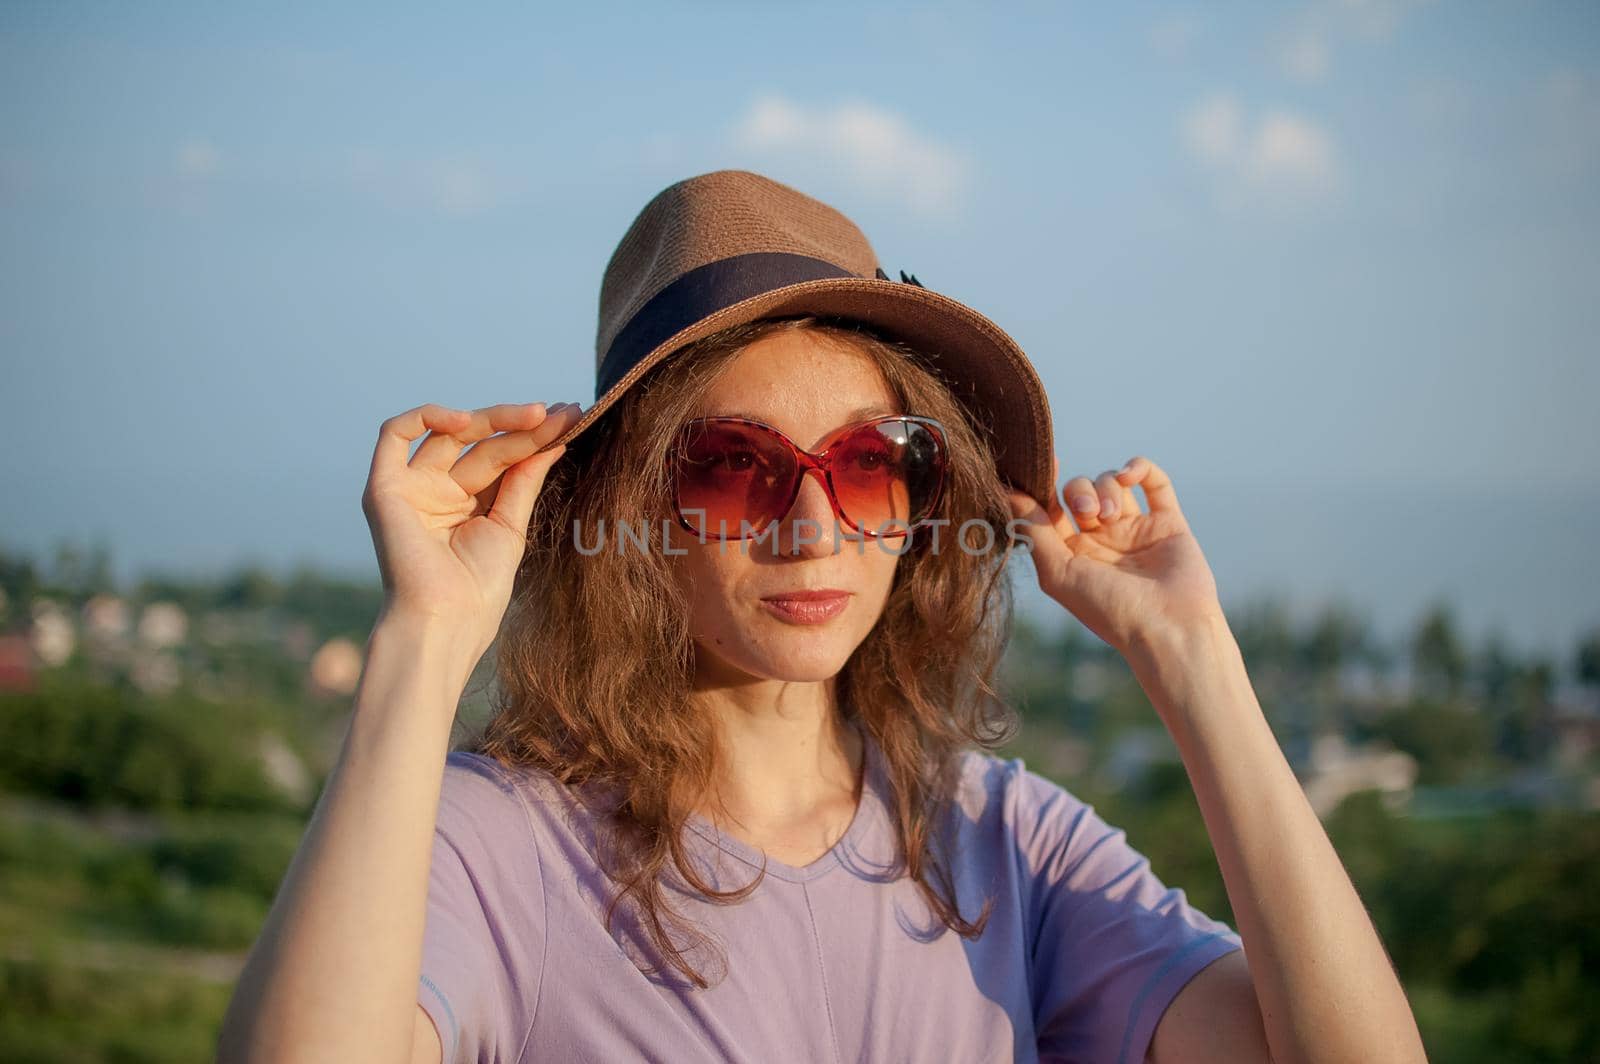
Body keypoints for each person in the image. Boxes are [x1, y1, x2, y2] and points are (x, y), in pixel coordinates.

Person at [217, 170, 1427, 1063]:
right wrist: (422, 641)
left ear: (922, 495)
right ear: (633, 510)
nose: (812, 525)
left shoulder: (1004, 845)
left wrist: (1191, 657)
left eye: (869, 460)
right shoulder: (501, 845)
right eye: (730, 464)